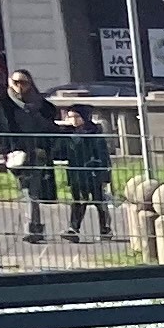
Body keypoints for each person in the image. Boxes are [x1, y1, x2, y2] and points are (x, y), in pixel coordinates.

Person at [0, 70, 67, 243]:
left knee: (31, 189)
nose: (20, 86)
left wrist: (48, 145)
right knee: (27, 189)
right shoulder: (1, 105)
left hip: (37, 153)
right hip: (14, 153)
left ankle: (34, 227)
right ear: (9, 82)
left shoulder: (41, 105)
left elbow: (51, 128)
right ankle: (34, 226)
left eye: (24, 82)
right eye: (16, 82)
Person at [57, 103, 117, 244]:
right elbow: (62, 153)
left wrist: (104, 174)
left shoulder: (94, 134)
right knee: (78, 201)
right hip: (76, 174)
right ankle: (73, 229)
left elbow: (103, 155)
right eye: (70, 116)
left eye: (76, 116)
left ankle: (105, 229)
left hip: (93, 173)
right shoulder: (69, 134)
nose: (72, 120)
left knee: (99, 201)